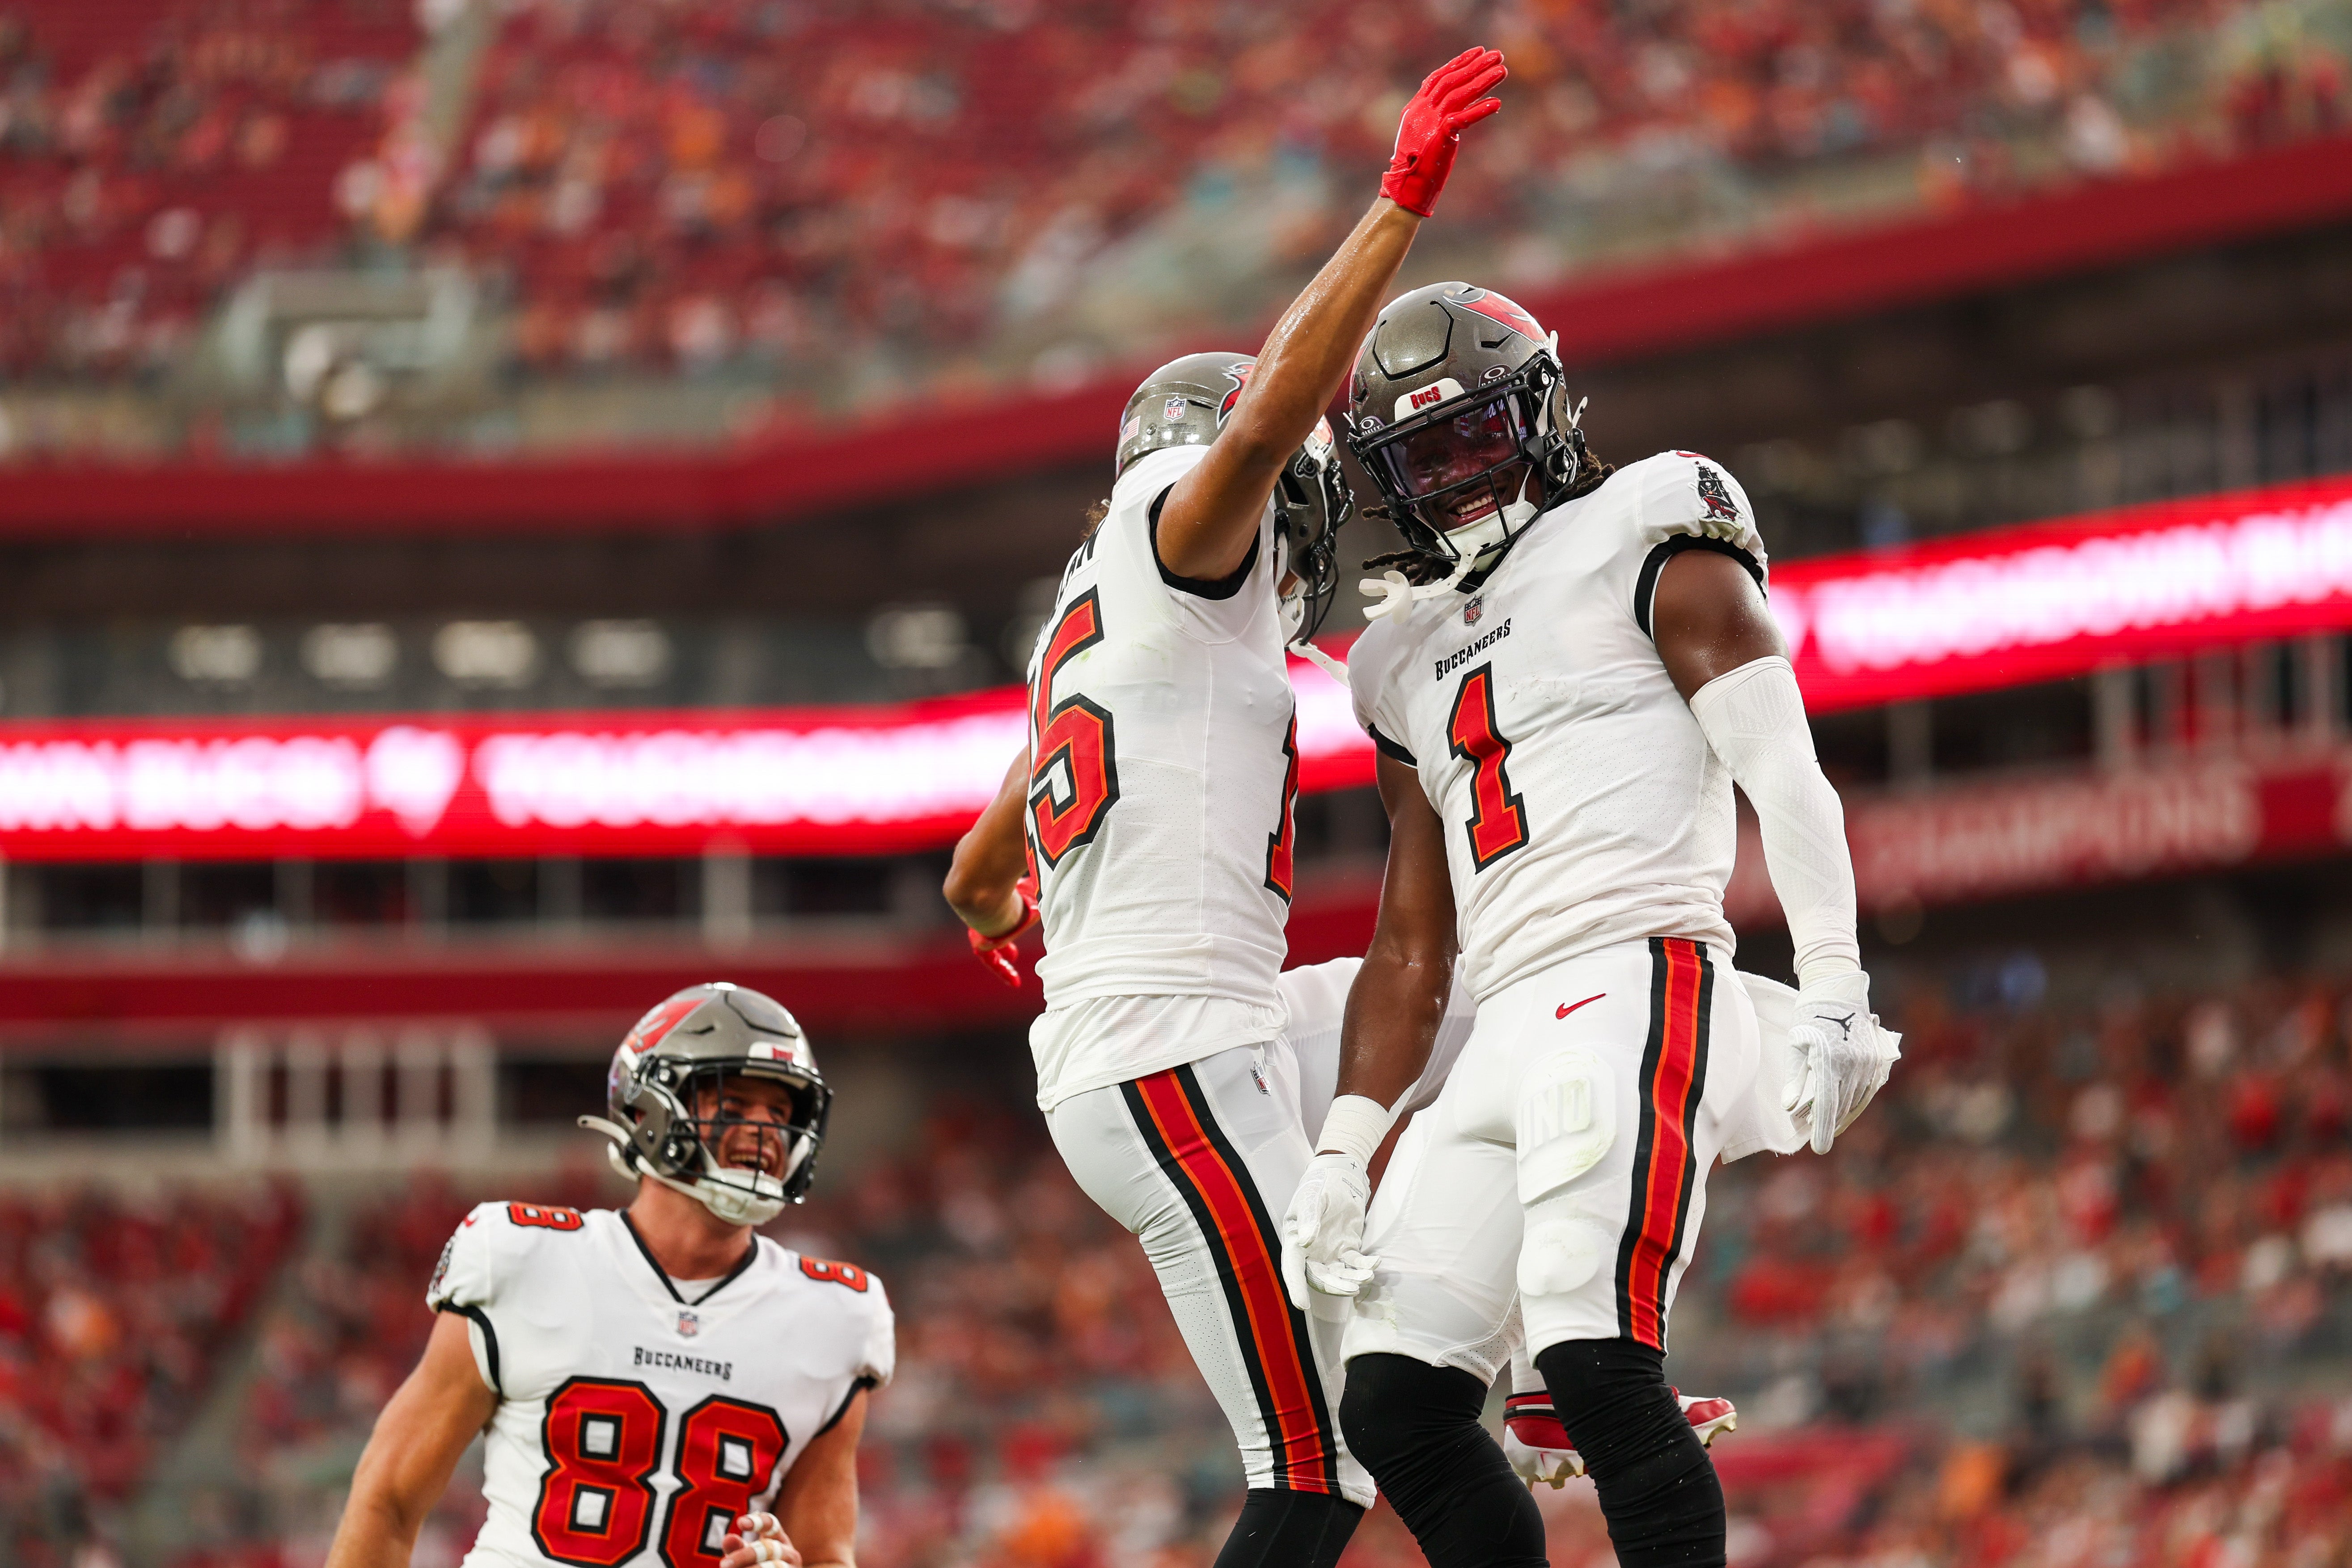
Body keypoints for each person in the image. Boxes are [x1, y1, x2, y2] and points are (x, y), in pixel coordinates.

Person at [938, 47, 1507, 1568]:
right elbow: (1259, 430)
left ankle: (1547, 1344)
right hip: (1169, 1056)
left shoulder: (1106, 623)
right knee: (1314, 1472)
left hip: (1213, 1025)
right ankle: (1512, 1380)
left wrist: (993, 900)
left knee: (1516, 1005)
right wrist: (1397, 206)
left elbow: (980, 854)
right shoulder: (1175, 535)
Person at [1278, 282, 1898, 1568]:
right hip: (1502, 1018)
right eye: (1422, 456)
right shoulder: (1397, 658)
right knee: (1390, 1400)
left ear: (1544, 410)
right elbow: (1411, 942)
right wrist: (1342, 1148)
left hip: (1633, 974)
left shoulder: (1646, 525)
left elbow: (1784, 773)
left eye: (1475, 433)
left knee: (1593, 1358)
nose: (1457, 475)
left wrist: (1833, 977)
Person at [322, 983, 888, 1568]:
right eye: (735, 1104)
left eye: (780, 1113)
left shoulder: (835, 1315)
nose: (765, 1131)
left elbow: (825, 1553)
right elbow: (389, 1502)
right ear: (650, 1112)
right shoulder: (524, 1257)